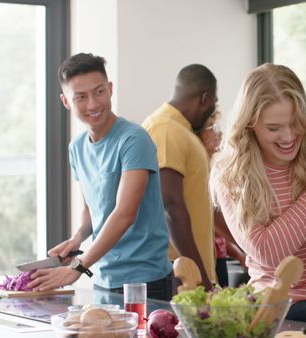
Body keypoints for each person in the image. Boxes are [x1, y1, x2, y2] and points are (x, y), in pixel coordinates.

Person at [210, 63, 306, 326]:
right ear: (249, 124)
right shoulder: (230, 173)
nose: (288, 137)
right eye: (274, 128)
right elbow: (269, 253)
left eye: (295, 123)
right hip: (279, 309)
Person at [28, 53, 174, 300]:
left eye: (98, 92)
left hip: (145, 280)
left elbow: (124, 213)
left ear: (110, 89)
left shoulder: (134, 139)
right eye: (81, 97)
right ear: (66, 101)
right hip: (104, 278)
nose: (93, 104)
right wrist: (77, 238)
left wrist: (78, 267)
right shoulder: (77, 147)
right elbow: (93, 210)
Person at [142, 64, 218, 289]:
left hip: (187, 272)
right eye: (213, 103)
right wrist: (199, 275)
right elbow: (170, 206)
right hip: (178, 274)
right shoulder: (165, 129)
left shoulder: (178, 129)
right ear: (204, 98)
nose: (213, 111)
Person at [196, 108, 248, 287]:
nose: (219, 132)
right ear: (201, 134)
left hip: (218, 256)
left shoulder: (211, 167)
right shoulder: (203, 171)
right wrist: (244, 250)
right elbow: (214, 221)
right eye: (213, 127)